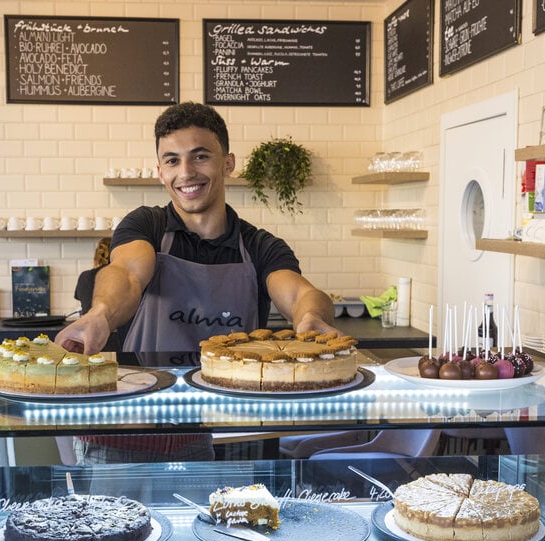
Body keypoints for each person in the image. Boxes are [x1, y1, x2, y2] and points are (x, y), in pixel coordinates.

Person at [57, 102, 337, 466]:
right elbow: (127, 273)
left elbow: (300, 293)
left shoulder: (259, 246)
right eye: (172, 160)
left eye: (200, 156)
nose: (186, 172)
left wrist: (311, 317)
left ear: (228, 163)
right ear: (160, 171)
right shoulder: (148, 226)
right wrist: (101, 313)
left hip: (229, 433)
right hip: (133, 432)